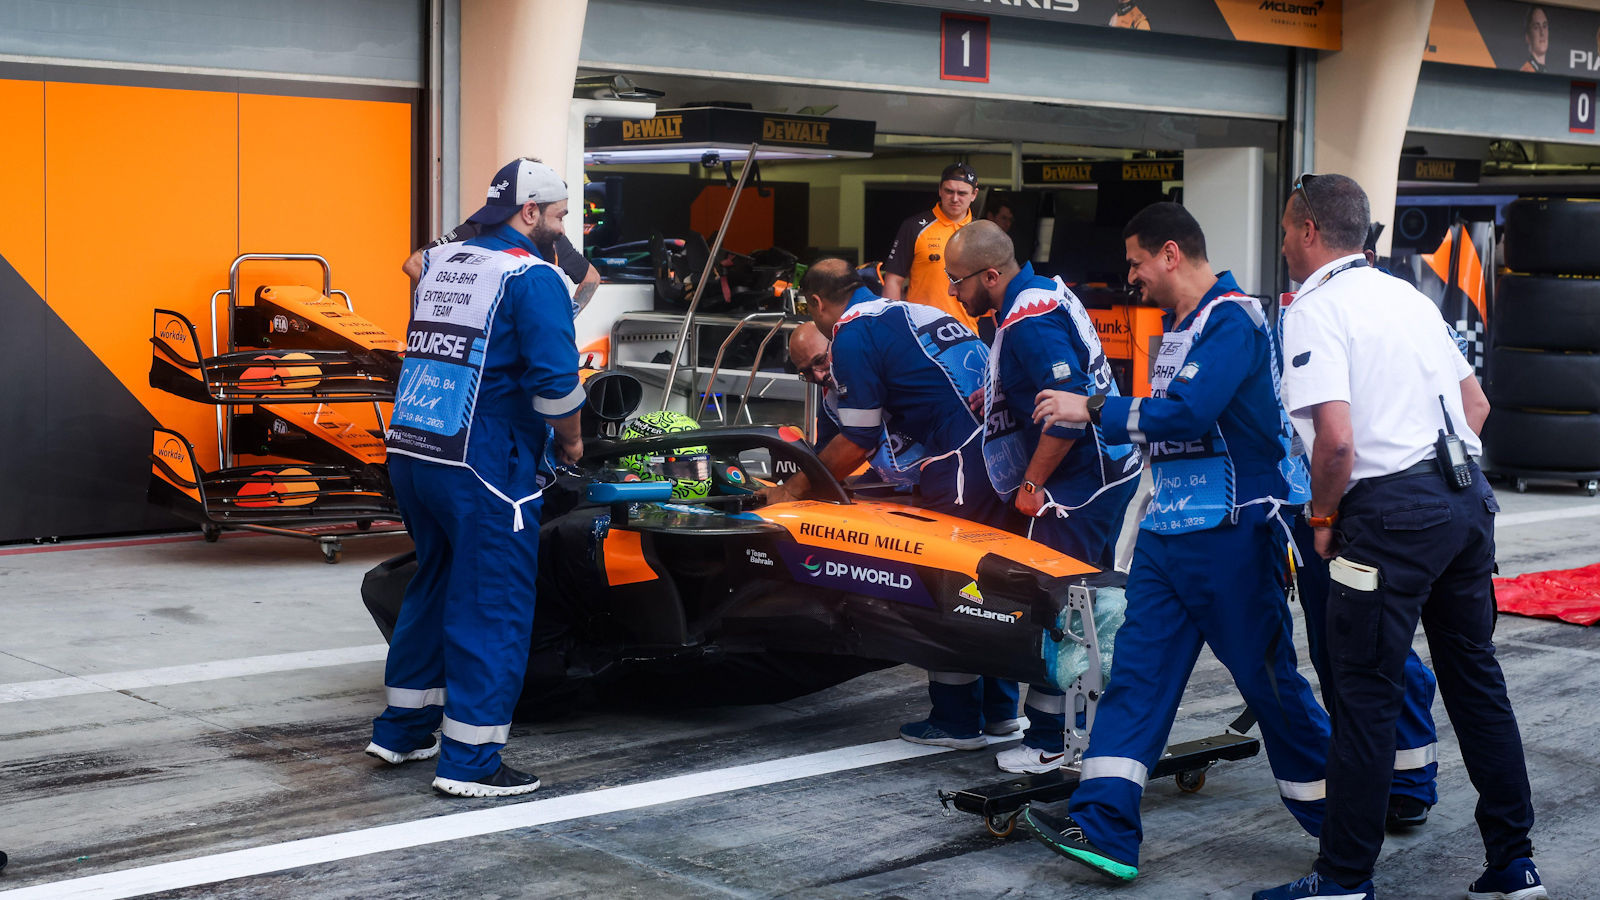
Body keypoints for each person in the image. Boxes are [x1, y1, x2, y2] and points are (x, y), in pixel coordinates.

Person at [1019, 203, 1330, 882]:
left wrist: (1094, 407)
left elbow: (1189, 412)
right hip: (1167, 537)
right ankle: (1102, 826)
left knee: (1271, 688)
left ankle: (1344, 819)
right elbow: (1165, 428)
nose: (1131, 279)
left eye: (1134, 263)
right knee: (1135, 679)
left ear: (1168, 253)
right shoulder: (1181, 331)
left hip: (1231, 539)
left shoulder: (1234, 320)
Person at [1256, 174, 1543, 900]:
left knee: (1363, 695)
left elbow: (1337, 443)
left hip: (1385, 517)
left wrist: (1324, 520)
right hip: (1464, 501)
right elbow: (1474, 405)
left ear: (1311, 231)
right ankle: (1514, 863)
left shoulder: (1315, 307)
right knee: (1476, 683)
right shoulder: (1412, 298)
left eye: (1289, 229)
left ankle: (1345, 878)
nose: (1285, 242)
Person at [369, 158, 585, 798]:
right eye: (558, 215)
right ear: (530, 213)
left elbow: (420, 281)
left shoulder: (443, 261)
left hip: (414, 448)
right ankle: (471, 764)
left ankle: (403, 729)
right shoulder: (532, 275)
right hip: (484, 460)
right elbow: (555, 384)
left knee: (433, 582)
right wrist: (573, 444)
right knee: (493, 603)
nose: (561, 227)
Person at [766, 257, 1021, 747]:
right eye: (809, 372)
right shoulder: (909, 313)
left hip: (963, 464)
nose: (822, 374)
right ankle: (1000, 713)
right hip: (999, 455)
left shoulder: (854, 334)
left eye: (822, 362)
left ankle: (955, 720)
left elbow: (857, 440)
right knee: (990, 587)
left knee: (948, 589)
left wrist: (790, 492)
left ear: (818, 304)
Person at [944, 220, 1142, 774]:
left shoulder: (1029, 321)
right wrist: (1004, 389)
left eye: (958, 281)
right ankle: (1078, 727)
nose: (954, 293)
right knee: (1089, 605)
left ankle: (1053, 740)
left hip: (1078, 488)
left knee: (1064, 610)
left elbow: (1071, 408)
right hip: (1104, 476)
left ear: (990, 274)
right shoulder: (1043, 292)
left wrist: (1031, 485)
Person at [402, 165, 602, 315]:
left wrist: (566, 315)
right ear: (528, 209)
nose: (561, 227)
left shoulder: (552, 238)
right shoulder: (477, 229)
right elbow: (414, 263)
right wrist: (461, 299)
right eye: (558, 216)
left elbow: (591, 277)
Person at [882, 163, 982, 333]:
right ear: (940, 190)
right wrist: (892, 327)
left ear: (974, 194)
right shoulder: (914, 226)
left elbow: (995, 286)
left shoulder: (983, 232)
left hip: (968, 333)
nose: (955, 198)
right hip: (920, 332)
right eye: (949, 191)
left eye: (962, 193)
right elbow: (893, 280)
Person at [1520, 6, 1549, 73]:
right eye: (1536, 27)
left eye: (1544, 26)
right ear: (1527, 37)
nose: (1542, 33)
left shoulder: (1544, 70)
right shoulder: (1526, 71)